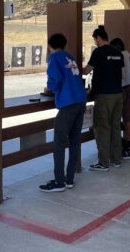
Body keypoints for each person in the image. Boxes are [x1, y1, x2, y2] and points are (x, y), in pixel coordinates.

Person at [39, 33, 87, 192]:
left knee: (59, 143)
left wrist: (49, 89)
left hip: (68, 103)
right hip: (80, 101)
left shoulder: (54, 57)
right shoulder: (70, 57)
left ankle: (59, 181)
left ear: (50, 45)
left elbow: (54, 80)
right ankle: (70, 179)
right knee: (74, 141)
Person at [83, 26, 124, 171]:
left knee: (102, 128)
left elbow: (87, 70)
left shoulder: (98, 52)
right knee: (115, 126)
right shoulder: (117, 52)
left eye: (95, 39)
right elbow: (122, 73)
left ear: (98, 38)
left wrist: (75, 69)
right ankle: (116, 159)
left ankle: (104, 162)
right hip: (118, 94)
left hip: (104, 95)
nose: (95, 42)